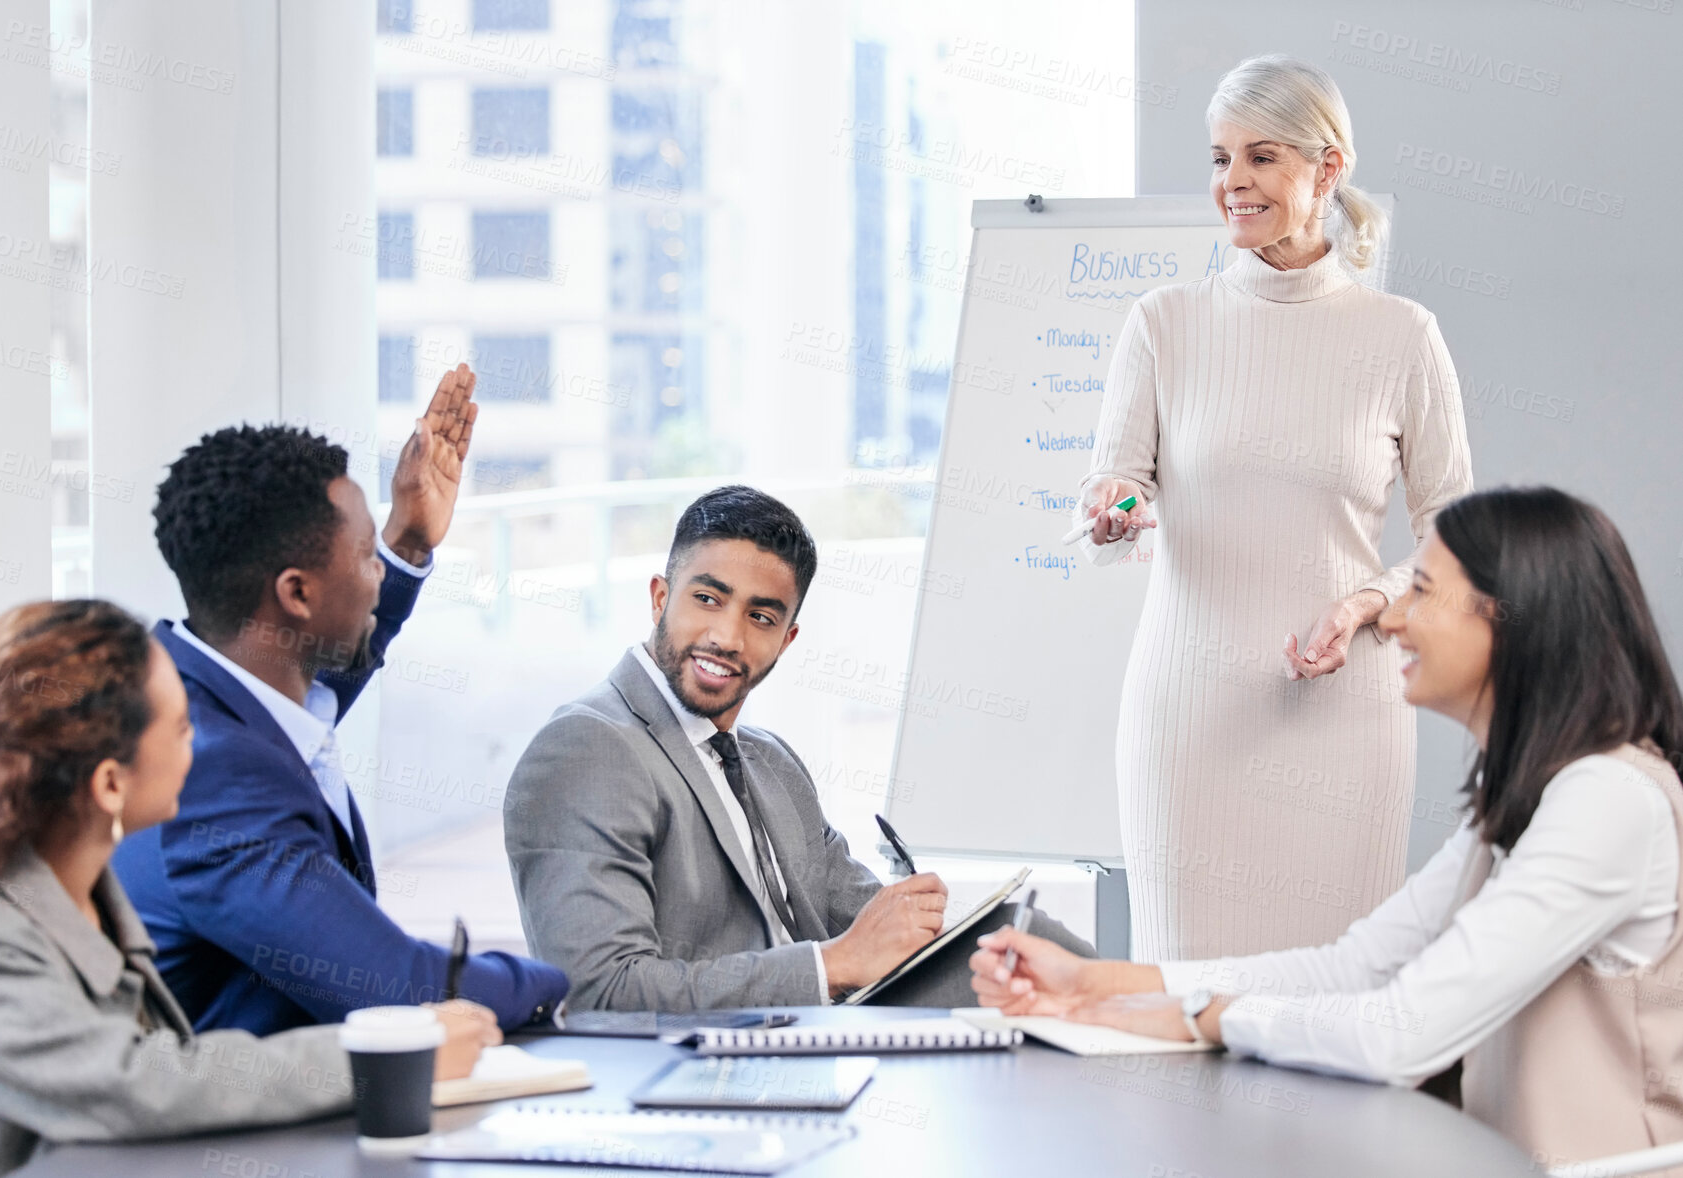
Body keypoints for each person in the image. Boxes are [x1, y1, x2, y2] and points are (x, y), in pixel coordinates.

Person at [973, 487, 1683, 1169]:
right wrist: (1096, 986)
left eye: (1422, 591)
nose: (1394, 617)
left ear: (1509, 616)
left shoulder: (1606, 801)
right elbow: (1346, 969)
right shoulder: (1529, 799)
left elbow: (1397, 1035)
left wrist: (1205, 1017)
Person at [1076, 54, 1474, 959]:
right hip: (1189, 719)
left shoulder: (1401, 337)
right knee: (1186, 1007)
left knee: (1335, 1007)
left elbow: (1460, 544)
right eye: (1219, 159)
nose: (1232, 184)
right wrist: (1117, 507)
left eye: (1260, 157)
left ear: (1326, 168)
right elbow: (1116, 480)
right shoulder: (1163, 322)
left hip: (1347, 724)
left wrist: (1366, 601)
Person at [505, 485, 1092, 1011]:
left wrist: (912, 919)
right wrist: (832, 966)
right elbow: (597, 992)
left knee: (1023, 941)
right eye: (707, 599)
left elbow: (859, 914)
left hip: (825, 1044)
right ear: (661, 598)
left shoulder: (769, 761)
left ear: (786, 640)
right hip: (714, 1078)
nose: (727, 637)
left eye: (760, 617)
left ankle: (1156, 1005)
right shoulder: (587, 747)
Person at [113, 366, 568, 1035]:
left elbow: (309, 691)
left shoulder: (188, 698)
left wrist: (406, 544)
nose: (377, 570)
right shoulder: (215, 777)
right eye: (365, 556)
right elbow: (400, 990)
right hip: (237, 1129)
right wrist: (568, 979)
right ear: (296, 593)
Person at [0, 599, 499, 1177]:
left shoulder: (86, 894)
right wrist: (384, 1059)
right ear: (110, 783)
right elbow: (127, 1080)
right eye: (183, 726)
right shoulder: (0, 939)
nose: (201, 739)